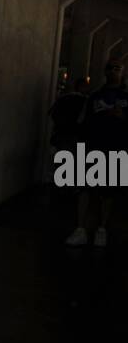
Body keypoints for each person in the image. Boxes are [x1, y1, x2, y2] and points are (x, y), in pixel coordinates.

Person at [64, 59, 126, 248]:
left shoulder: (126, 97)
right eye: (110, 68)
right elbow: (81, 122)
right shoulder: (93, 97)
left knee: (108, 193)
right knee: (84, 189)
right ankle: (81, 229)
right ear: (105, 71)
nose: (113, 71)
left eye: (118, 68)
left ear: (122, 72)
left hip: (116, 149)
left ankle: (102, 230)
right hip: (92, 148)